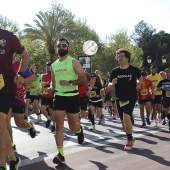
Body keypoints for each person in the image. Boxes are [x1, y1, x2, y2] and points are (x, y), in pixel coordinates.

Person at [51, 38, 87, 165]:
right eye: (59, 46)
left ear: (68, 48)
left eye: (64, 45)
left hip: (72, 96)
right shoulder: (53, 65)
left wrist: (70, 82)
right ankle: (60, 154)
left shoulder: (73, 62)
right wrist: (51, 89)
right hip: (59, 97)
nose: (61, 47)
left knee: (73, 127)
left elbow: (83, 79)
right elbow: (53, 82)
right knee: (58, 126)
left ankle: (79, 130)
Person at [0, 28, 29, 170]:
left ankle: (7, 161)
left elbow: (25, 56)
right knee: (1, 125)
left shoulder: (9, 37)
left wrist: (21, 74)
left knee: (1, 120)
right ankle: (10, 159)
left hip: (7, 86)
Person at [108, 48, 143, 150]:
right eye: (118, 56)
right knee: (123, 123)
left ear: (127, 58)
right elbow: (109, 85)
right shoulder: (115, 71)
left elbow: (140, 77)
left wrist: (139, 84)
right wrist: (112, 83)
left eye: (122, 56)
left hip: (131, 96)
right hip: (120, 97)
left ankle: (129, 141)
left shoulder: (134, 69)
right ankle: (130, 136)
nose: (119, 58)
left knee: (126, 117)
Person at [7, 53, 37, 153]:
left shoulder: (19, 65)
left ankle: (29, 125)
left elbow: (33, 78)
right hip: (5, 97)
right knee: (5, 122)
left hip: (18, 98)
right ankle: (11, 145)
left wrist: (23, 79)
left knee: (19, 123)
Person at [37, 61, 55, 131]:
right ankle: (48, 118)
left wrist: (48, 83)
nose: (48, 68)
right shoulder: (44, 76)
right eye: (47, 67)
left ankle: (54, 124)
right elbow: (42, 85)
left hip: (52, 95)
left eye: (49, 67)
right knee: (42, 109)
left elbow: (53, 84)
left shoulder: (54, 75)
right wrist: (39, 92)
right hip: (45, 95)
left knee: (51, 111)